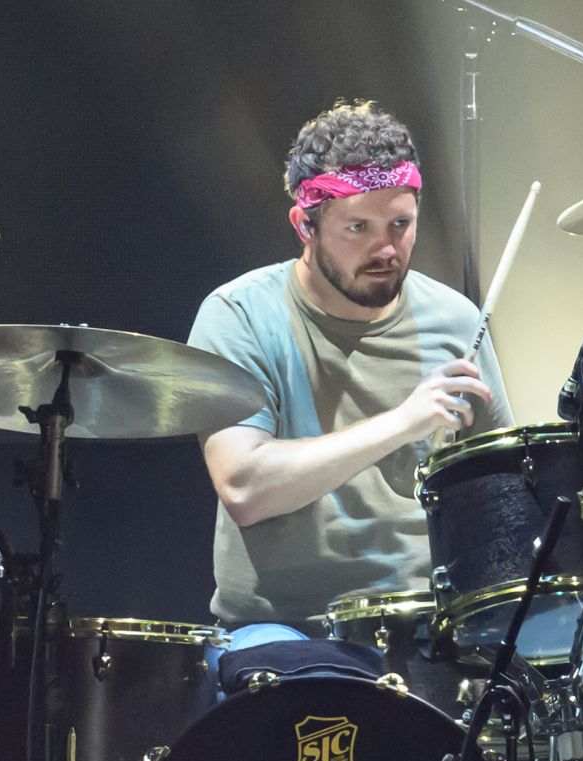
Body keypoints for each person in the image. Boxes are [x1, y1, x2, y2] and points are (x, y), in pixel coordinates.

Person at [189, 100, 516, 642]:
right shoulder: (240, 314)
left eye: (400, 223)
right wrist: (404, 421)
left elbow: (501, 494)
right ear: (305, 224)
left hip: (430, 623)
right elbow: (244, 488)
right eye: (358, 227)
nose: (385, 247)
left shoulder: (456, 320)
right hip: (285, 628)